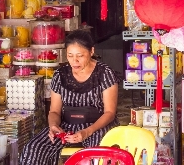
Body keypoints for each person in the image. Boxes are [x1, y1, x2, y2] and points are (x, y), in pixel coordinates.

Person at [20, 30, 119, 165]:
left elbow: (110, 113)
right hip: (66, 127)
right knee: (33, 149)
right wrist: (54, 126)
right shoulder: (60, 75)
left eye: (80, 55)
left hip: (97, 126)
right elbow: (54, 111)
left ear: (91, 51)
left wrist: (87, 132)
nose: (74, 61)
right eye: (70, 55)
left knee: (96, 154)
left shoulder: (104, 73)